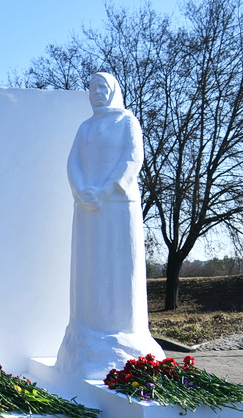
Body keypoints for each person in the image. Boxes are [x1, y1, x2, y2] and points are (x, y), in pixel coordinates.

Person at [56, 73, 163, 380]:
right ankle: (89, 327)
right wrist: (81, 190)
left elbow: (132, 159)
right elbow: (72, 162)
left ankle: (119, 328)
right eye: (91, 88)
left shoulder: (126, 122)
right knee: (90, 267)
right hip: (88, 208)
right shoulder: (85, 127)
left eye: (102, 88)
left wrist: (105, 189)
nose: (96, 93)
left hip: (116, 207)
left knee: (118, 267)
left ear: (114, 91)